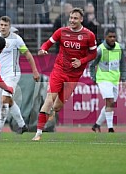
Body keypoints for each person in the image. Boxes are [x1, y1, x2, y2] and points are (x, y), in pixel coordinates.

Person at [32, 8, 97, 141]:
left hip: (73, 75)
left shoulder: (89, 35)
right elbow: (47, 43)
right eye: (71, 18)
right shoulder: (61, 31)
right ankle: (38, 133)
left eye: (75, 18)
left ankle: (50, 114)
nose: (72, 20)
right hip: (59, 70)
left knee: (57, 107)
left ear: (81, 20)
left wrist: (81, 61)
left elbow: (93, 54)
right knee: (50, 99)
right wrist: (43, 49)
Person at [0, 16, 40, 137]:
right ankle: (22, 124)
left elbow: (28, 54)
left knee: (4, 100)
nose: (3, 27)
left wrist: (34, 71)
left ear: (9, 27)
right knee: (6, 100)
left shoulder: (16, 39)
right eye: (1, 25)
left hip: (13, 74)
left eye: (5, 25)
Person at [90, 28, 126, 133]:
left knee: (110, 104)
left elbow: (123, 64)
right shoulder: (100, 49)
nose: (112, 39)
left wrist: (123, 79)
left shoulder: (119, 48)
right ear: (106, 37)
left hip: (115, 80)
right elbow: (92, 65)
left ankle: (96, 125)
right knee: (109, 100)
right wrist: (94, 78)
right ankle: (110, 128)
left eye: (114, 37)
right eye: (110, 36)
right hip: (103, 79)